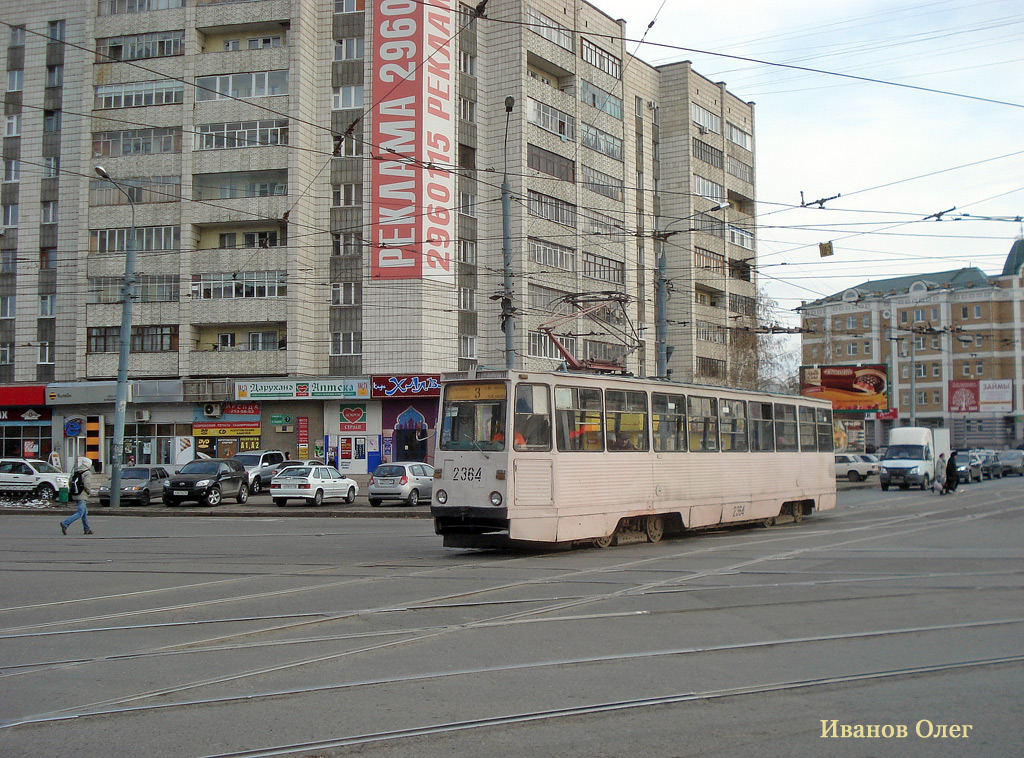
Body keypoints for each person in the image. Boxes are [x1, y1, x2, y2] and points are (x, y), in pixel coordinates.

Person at [61, 457, 96, 535]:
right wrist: (89, 492)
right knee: (80, 512)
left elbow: (70, 481)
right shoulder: (87, 472)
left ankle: (87, 529)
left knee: (84, 512)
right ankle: (65, 523)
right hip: (82, 494)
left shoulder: (76, 471)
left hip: (75, 493)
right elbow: (87, 484)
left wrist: (73, 491)